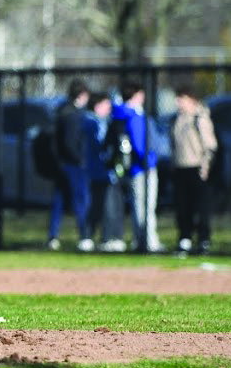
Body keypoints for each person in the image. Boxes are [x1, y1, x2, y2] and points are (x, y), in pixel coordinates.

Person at [113, 81, 163, 253]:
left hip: (136, 168)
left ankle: (140, 240)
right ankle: (148, 241)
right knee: (146, 207)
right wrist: (148, 161)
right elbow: (139, 143)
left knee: (139, 207)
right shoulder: (134, 116)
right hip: (143, 167)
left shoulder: (121, 114)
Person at [171, 85, 218, 255]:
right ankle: (185, 238)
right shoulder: (178, 118)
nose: (178, 103)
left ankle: (203, 239)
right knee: (183, 207)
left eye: (181, 99)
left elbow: (210, 146)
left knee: (201, 208)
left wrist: (205, 167)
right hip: (181, 168)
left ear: (190, 99)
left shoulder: (200, 118)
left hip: (197, 169)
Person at [47, 80, 92, 251]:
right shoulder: (73, 115)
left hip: (61, 164)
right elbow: (69, 143)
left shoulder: (61, 111)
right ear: (81, 96)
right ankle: (84, 236)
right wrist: (79, 159)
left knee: (58, 202)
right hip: (72, 165)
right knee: (80, 201)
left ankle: (53, 236)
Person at [84, 92, 125, 251]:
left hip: (104, 173)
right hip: (101, 172)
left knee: (107, 205)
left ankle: (107, 237)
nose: (109, 108)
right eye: (106, 105)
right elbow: (102, 146)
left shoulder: (102, 122)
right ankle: (105, 237)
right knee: (104, 206)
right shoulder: (93, 122)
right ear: (97, 105)